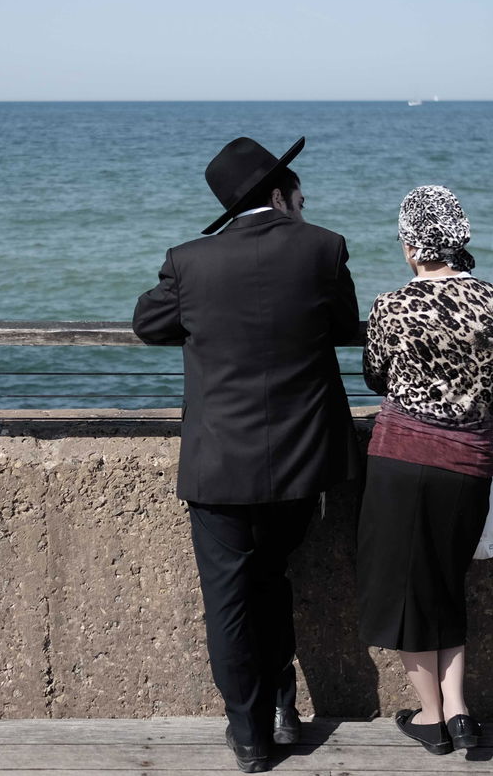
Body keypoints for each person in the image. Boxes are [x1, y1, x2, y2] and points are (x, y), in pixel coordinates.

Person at [133, 136, 360, 774]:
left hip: (218, 466)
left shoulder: (190, 261)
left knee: (231, 600)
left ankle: (251, 736)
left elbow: (148, 325)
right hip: (301, 463)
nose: (305, 202)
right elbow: (345, 326)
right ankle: (285, 711)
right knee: (273, 580)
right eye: (300, 193)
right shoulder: (323, 247)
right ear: (279, 195)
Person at [356, 185, 493, 756]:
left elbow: (376, 376)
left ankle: (431, 717)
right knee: (447, 584)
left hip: (402, 461)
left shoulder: (390, 305)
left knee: (404, 592)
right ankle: (461, 711)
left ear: (410, 243)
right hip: (470, 464)